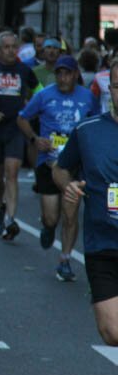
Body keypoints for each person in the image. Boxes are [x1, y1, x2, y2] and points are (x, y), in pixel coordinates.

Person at [54, 61, 118, 346]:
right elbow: (61, 168)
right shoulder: (88, 130)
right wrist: (67, 185)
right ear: (110, 89)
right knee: (111, 332)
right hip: (102, 243)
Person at [17, 55, 97, 280]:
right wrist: (34, 139)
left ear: (75, 75)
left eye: (67, 73)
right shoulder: (44, 95)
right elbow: (22, 119)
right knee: (52, 217)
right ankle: (49, 228)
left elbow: (98, 123)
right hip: (48, 162)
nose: (63, 78)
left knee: (70, 214)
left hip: (75, 165)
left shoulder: (88, 97)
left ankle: (65, 259)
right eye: (59, 73)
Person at [0, 31, 39, 240]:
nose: (11, 50)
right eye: (6, 47)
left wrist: (29, 109)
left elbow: (39, 92)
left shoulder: (24, 70)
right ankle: (0, 206)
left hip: (15, 128)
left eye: (14, 46)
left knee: (12, 172)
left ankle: (11, 219)